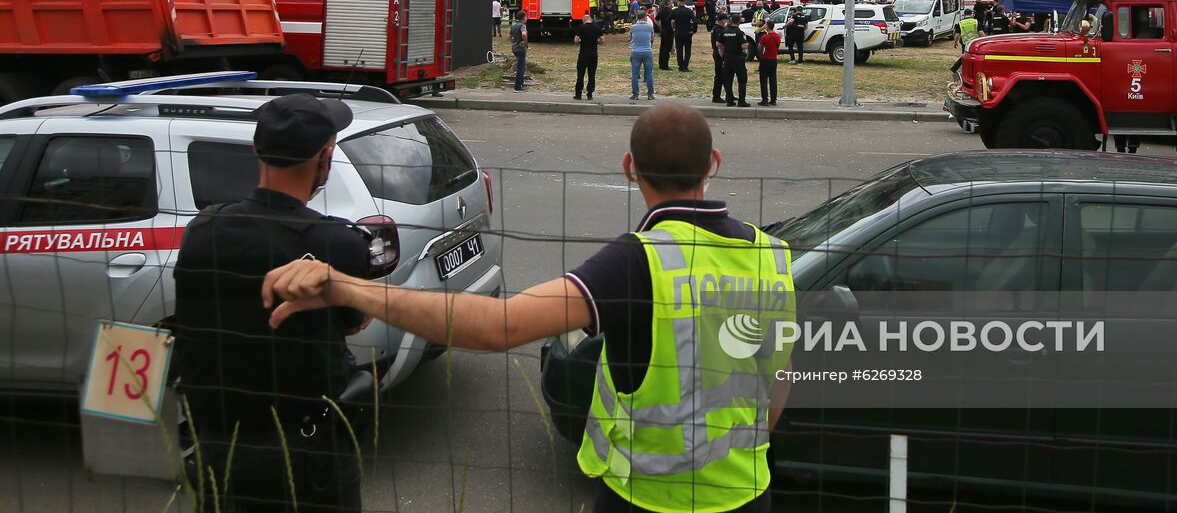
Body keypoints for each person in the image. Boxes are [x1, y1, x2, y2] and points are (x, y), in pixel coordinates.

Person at [262, 104, 795, 513]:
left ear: (629, 167)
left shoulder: (638, 262)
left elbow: (502, 326)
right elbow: (777, 388)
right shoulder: (772, 254)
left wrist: (349, 288)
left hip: (650, 501)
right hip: (748, 494)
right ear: (714, 164)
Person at [174, 94, 371, 513]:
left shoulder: (203, 229)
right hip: (307, 456)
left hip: (221, 449)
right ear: (325, 156)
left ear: (255, 151)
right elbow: (356, 322)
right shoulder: (336, 242)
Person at [718, 13, 750, 107]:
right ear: (739, 21)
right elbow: (744, 46)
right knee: (742, 80)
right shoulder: (740, 33)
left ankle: (729, 100)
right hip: (738, 58)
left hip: (727, 58)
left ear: (731, 21)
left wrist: (723, 55)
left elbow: (718, 44)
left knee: (728, 80)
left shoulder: (725, 32)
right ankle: (741, 101)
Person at [574, 12, 605, 101]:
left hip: (583, 54)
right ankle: (590, 94)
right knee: (591, 75)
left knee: (580, 74)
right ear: (591, 20)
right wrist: (596, 42)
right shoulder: (597, 28)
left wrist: (581, 41)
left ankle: (578, 94)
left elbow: (576, 40)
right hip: (593, 54)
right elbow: (603, 40)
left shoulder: (581, 28)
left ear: (584, 21)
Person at [629, 10, 656, 101]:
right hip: (647, 51)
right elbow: (652, 39)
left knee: (635, 74)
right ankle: (650, 94)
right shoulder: (649, 27)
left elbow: (631, 38)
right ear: (645, 17)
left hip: (635, 51)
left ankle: (635, 94)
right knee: (649, 73)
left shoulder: (633, 27)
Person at [757, 20, 782, 106]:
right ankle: (773, 99)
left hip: (765, 59)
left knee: (763, 80)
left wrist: (760, 56)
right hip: (774, 59)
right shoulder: (777, 36)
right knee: (773, 79)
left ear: (767, 26)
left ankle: (765, 99)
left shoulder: (765, 37)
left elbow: (759, 48)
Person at [671, 0, 697, 72]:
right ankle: (685, 66)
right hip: (687, 33)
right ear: (684, 2)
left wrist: (673, 28)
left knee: (679, 50)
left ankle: (680, 65)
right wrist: (693, 30)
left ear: (678, 2)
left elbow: (669, 20)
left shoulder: (674, 11)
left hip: (678, 32)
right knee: (687, 50)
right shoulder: (689, 11)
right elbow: (694, 21)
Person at [710, 14, 730, 104]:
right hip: (719, 54)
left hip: (719, 53)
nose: (726, 22)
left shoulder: (717, 28)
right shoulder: (718, 30)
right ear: (722, 20)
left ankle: (729, 95)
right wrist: (723, 56)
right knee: (719, 76)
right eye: (725, 20)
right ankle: (716, 96)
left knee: (724, 75)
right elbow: (719, 45)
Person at [509, 10, 529, 91]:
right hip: (520, 48)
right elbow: (524, 34)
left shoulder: (514, 26)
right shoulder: (522, 25)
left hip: (514, 48)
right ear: (524, 17)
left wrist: (514, 42)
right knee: (521, 68)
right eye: (526, 16)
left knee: (521, 65)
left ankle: (521, 83)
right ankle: (518, 86)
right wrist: (524, 42)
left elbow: (510, 37)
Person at [656, 0, 674, 70]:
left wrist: (660, 26)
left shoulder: (661, 11)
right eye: (671, 3)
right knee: (667, 48)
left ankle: (660, 63)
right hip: (669, 31)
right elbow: (673, 22)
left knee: (662, 47)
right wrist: (673, 28)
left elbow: (656, 19)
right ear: (669, 4)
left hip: (663, 31)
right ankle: (665, 65)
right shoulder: (671, 11)